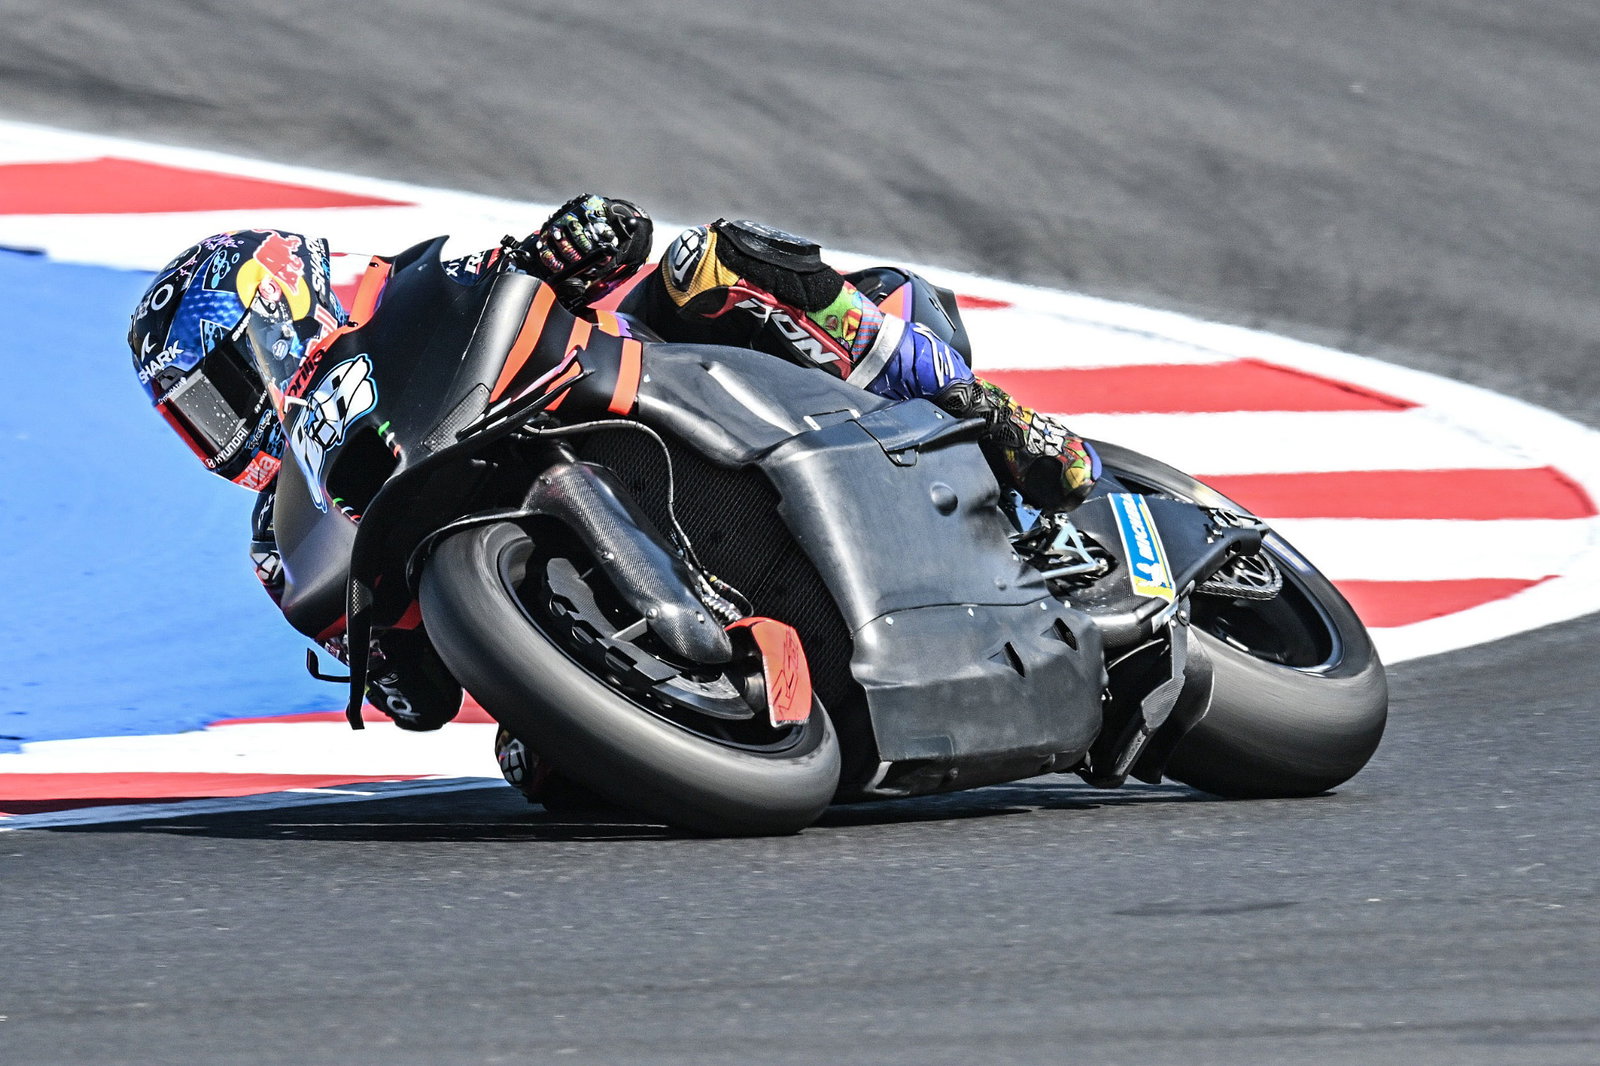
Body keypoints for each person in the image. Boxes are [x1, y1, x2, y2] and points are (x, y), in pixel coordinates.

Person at [128, 196, 1100, 732]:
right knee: (537, 772)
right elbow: (418, 700)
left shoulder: (407, 298)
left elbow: (597, 248)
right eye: (195, 417)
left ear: (274, 307)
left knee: (713, 260)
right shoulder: (283, 541)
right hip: (563, 569)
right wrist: (380, 652)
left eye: (218, 388)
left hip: (641, 391)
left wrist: (567, 247)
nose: (223, 425)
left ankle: (972, 405)